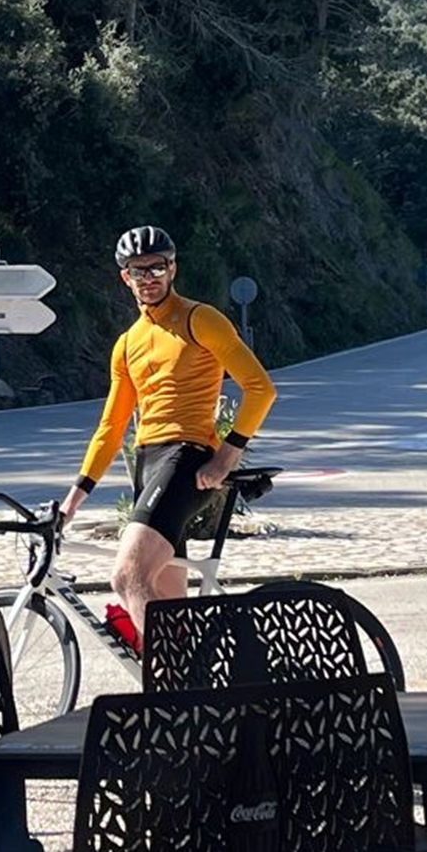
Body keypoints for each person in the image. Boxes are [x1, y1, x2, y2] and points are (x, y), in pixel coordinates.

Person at [57, 224, 275, 642]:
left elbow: (261, 388)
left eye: (157, 267)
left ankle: (170, 690)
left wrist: (226, 456)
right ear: (125, 277)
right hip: (149, 466)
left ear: (173, 268)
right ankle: (193, 690)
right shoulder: (127, 343)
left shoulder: (200, 318)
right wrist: (73, 500)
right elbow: (111, 426)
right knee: (168, 606)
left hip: (188, 460)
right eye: (138, 271)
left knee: (126, 576)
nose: (149, 278)